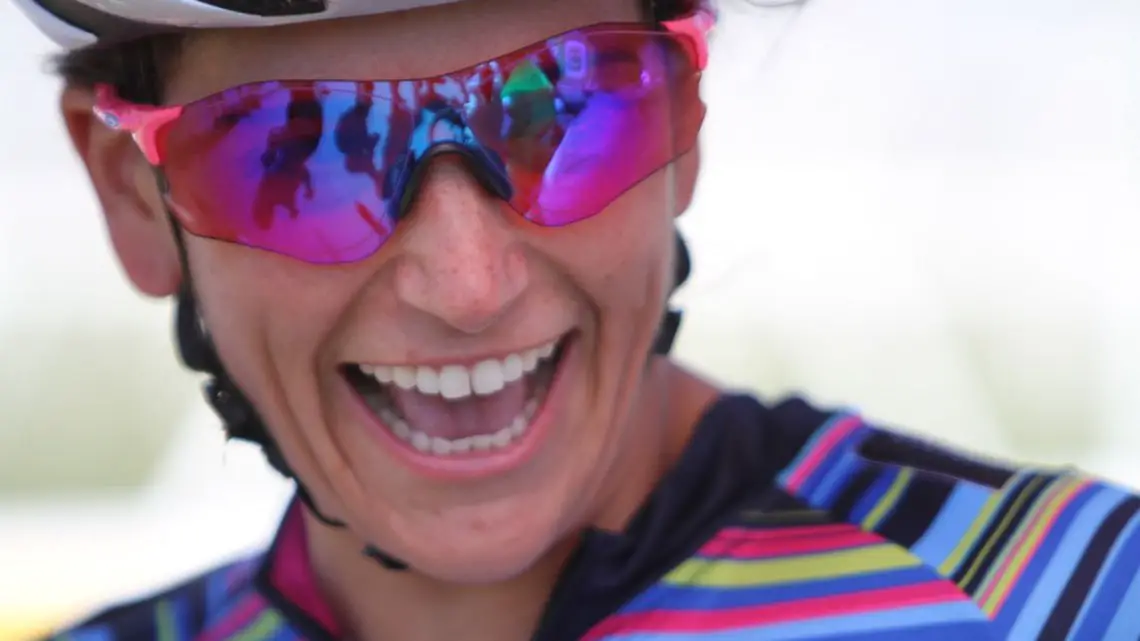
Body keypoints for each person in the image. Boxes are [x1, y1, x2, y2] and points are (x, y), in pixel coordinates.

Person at [14, 0, 1139, 639]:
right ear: (132, 194)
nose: (468, 284)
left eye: (567, 110)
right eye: (300, 152)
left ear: (687, 123)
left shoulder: (1084, 602)